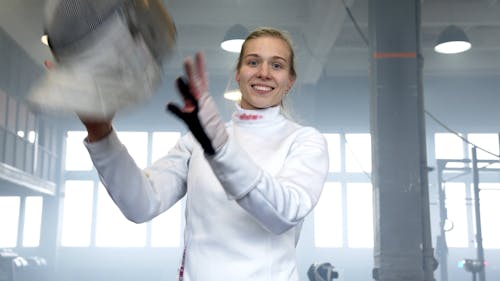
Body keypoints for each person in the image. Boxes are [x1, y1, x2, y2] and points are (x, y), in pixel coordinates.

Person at [81, 27, 329, 281]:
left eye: (276, 65)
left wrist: (221, 147)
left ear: (290, 81)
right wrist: (100, 134)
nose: (263, 73)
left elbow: (283, 214)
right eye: (253, 62)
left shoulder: (304, 141)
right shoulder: (198, 140)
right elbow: (141, 204)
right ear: (238, 73)